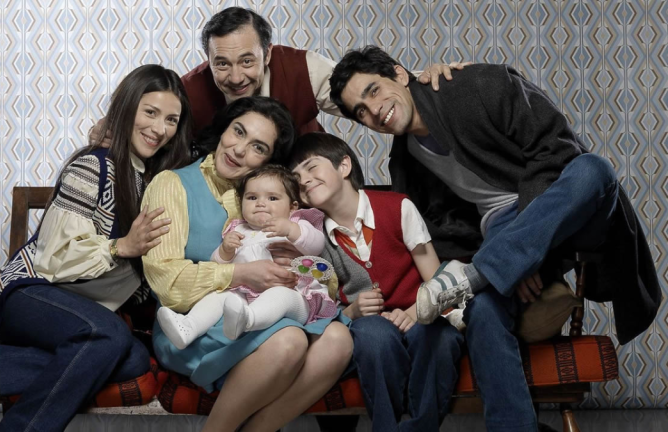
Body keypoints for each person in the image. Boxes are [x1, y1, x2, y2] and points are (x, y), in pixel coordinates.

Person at [328, 46, 661, 431]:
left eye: (373, 91)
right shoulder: (405, 162)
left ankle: (478, 275)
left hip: (565, 210)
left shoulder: (477, 84)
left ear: (400, 74)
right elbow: (437, 233)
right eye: (361, 112)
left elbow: (556, 149)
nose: (374, 111)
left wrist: (521, 254)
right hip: (501, 235)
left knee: (594, 168)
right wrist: (513, 259)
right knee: (483, 310)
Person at [0, 64, 193, 432]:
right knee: (110, 336)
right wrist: (121, 247)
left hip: (83, 311)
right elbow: (56, 258)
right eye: (150, 112)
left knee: (134, 361)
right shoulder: (93, 166)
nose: (159, 128)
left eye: (171, 120)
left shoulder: (153, 181)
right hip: (31, 293)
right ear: (126, 108)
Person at [141, 96, 353, 432]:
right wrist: (242, 273)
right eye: (238, 132)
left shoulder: (269, 200)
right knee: (289, 342)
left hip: (271, 310)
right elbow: (167, 284)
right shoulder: (172, 184)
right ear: (224, 129)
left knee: (339, 340)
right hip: (197, 321)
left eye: (258, 147)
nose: (239, 150)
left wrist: (295, 261)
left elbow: (316, 258)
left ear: (268, 160)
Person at [289, 132, 464, 431]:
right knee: (374, 335)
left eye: (311, 167)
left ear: (344, 166)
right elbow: (319, 307)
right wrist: (352, 312)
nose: (303, 180)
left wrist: (413, 313)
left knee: (441, 338)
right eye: (296, 178)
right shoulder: (311, 238)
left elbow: (438, 283)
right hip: (367, 328)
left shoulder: (398, 207)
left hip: (421, 314)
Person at [89, 7, 466, 142]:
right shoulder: (187, 92)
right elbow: (154, 130)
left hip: (307, 184)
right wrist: (116, 127)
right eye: (222, 64)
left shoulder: (304, 67)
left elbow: (368, 95)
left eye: (247, 61)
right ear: (207, 59)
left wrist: (423, 78)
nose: (235, 76)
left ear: (268, 53)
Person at [156, 164, 337, 348]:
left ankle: (248, 319)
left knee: (280, 295)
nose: (260, 203)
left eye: (272, 198)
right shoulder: (237, 229)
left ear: (292, 207)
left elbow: (317, 245)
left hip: (295, 294)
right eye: (252, 197)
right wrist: (225, 251)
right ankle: (189, 327)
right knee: (219, 295)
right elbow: (217, 264)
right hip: (245, 293)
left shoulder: (296, 223)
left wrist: (292, 230)